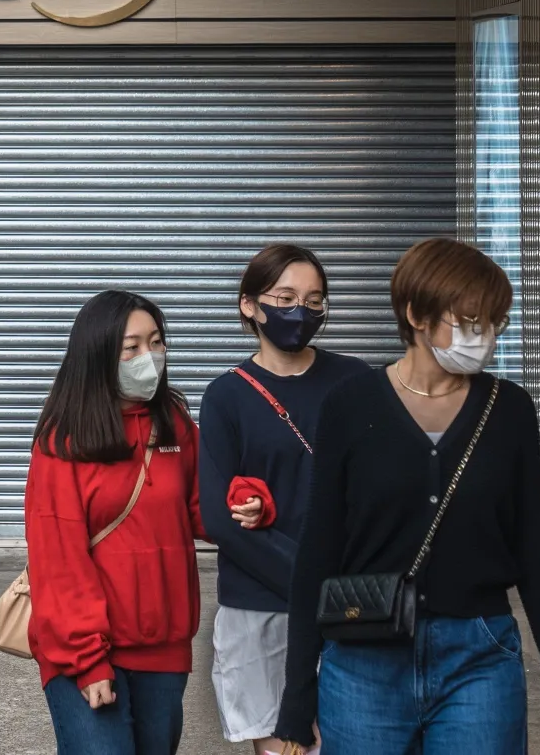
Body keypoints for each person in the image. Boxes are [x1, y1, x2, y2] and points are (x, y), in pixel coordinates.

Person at [277, 237, 540, 755]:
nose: (486, 336)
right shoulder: (349, 404)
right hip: (362, 659)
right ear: (416, 314)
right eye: (472, 320)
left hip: (478, 655)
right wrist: (296, 706)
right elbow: (318, 550)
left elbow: (536, 555)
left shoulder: (510, 410)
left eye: (494, 323)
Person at [200, 244, 372, 753]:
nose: (302, 311)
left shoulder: (357, 382)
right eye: (286, 297)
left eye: (315, 299)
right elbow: (218, 518)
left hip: (352, 603)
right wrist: (312, 582)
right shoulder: (227, 395)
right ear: (249, 305)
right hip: (262, 607)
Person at [27, 290, 204, 755]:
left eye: (157, 342)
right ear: (99, 353)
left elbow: (202, 509)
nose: (149, 357)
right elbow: (57, 560)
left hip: (163, 647)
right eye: (132, 347)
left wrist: (252, 500)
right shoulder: (63, 441)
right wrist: (88, 661)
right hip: (84, 651)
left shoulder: (176, 426)